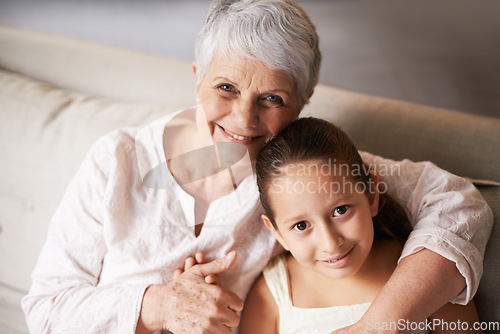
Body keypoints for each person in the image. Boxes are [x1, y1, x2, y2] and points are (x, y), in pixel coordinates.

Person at [21, 1, 492, 333]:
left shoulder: (296, 172)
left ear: (303, 104)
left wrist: (379, 325)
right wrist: (159, 305)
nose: (244, 120)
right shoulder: (118, 160)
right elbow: (44, 311)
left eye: (272, 99)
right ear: (196, 78)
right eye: (225, 88)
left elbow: (455, 202)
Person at [239, 117, 481, 334]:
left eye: (340, 210)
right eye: (301, 225)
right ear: (277, 233)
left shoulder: (425, 270)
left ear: (371, 195)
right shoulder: (273, 293)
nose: (330, 242)